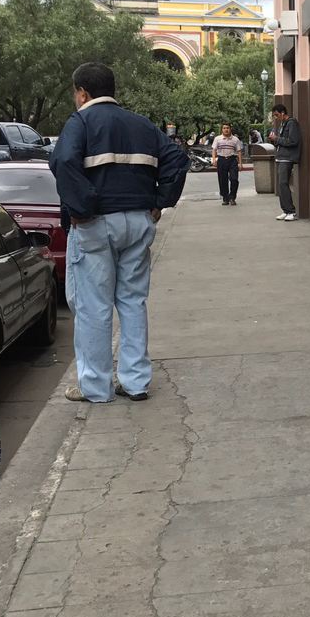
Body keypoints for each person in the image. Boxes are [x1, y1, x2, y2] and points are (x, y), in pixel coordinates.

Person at [50, 61, 190, 404]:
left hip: (97, 223)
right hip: (139, 220)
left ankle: (95, 388)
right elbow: (177, 159)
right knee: (132, 301)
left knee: (93, 307)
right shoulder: (142, 125)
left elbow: (63, 162)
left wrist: (83, 210)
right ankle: (135, 382)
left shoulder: (80, 121)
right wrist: (160, 201)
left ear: (82, 93)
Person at [269, 103, 301, 221]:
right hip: (281, 156)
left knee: (283, 183)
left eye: (277, 115)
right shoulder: (283, 124)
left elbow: (293, 141)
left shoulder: (292, 123)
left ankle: (291, 211)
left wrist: (277, 139)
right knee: (281, 184)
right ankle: (285, 210)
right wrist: (275, 140)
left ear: (283, 113)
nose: (276, 118)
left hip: (287, 157)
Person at [212, 123, 243, 205]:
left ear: (230, 129)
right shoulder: (218, 139)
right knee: (223, 180)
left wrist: (240, 163)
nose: (226, 130)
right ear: (222, 129)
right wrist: (214, 159)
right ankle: (225, 197)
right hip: (222, 159)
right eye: (224, 128)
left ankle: (232, 197)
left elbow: (239, 151)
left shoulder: (235, 139)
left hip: (232, 160)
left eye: (227, 128)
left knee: (234, 179)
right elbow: (214, 149)